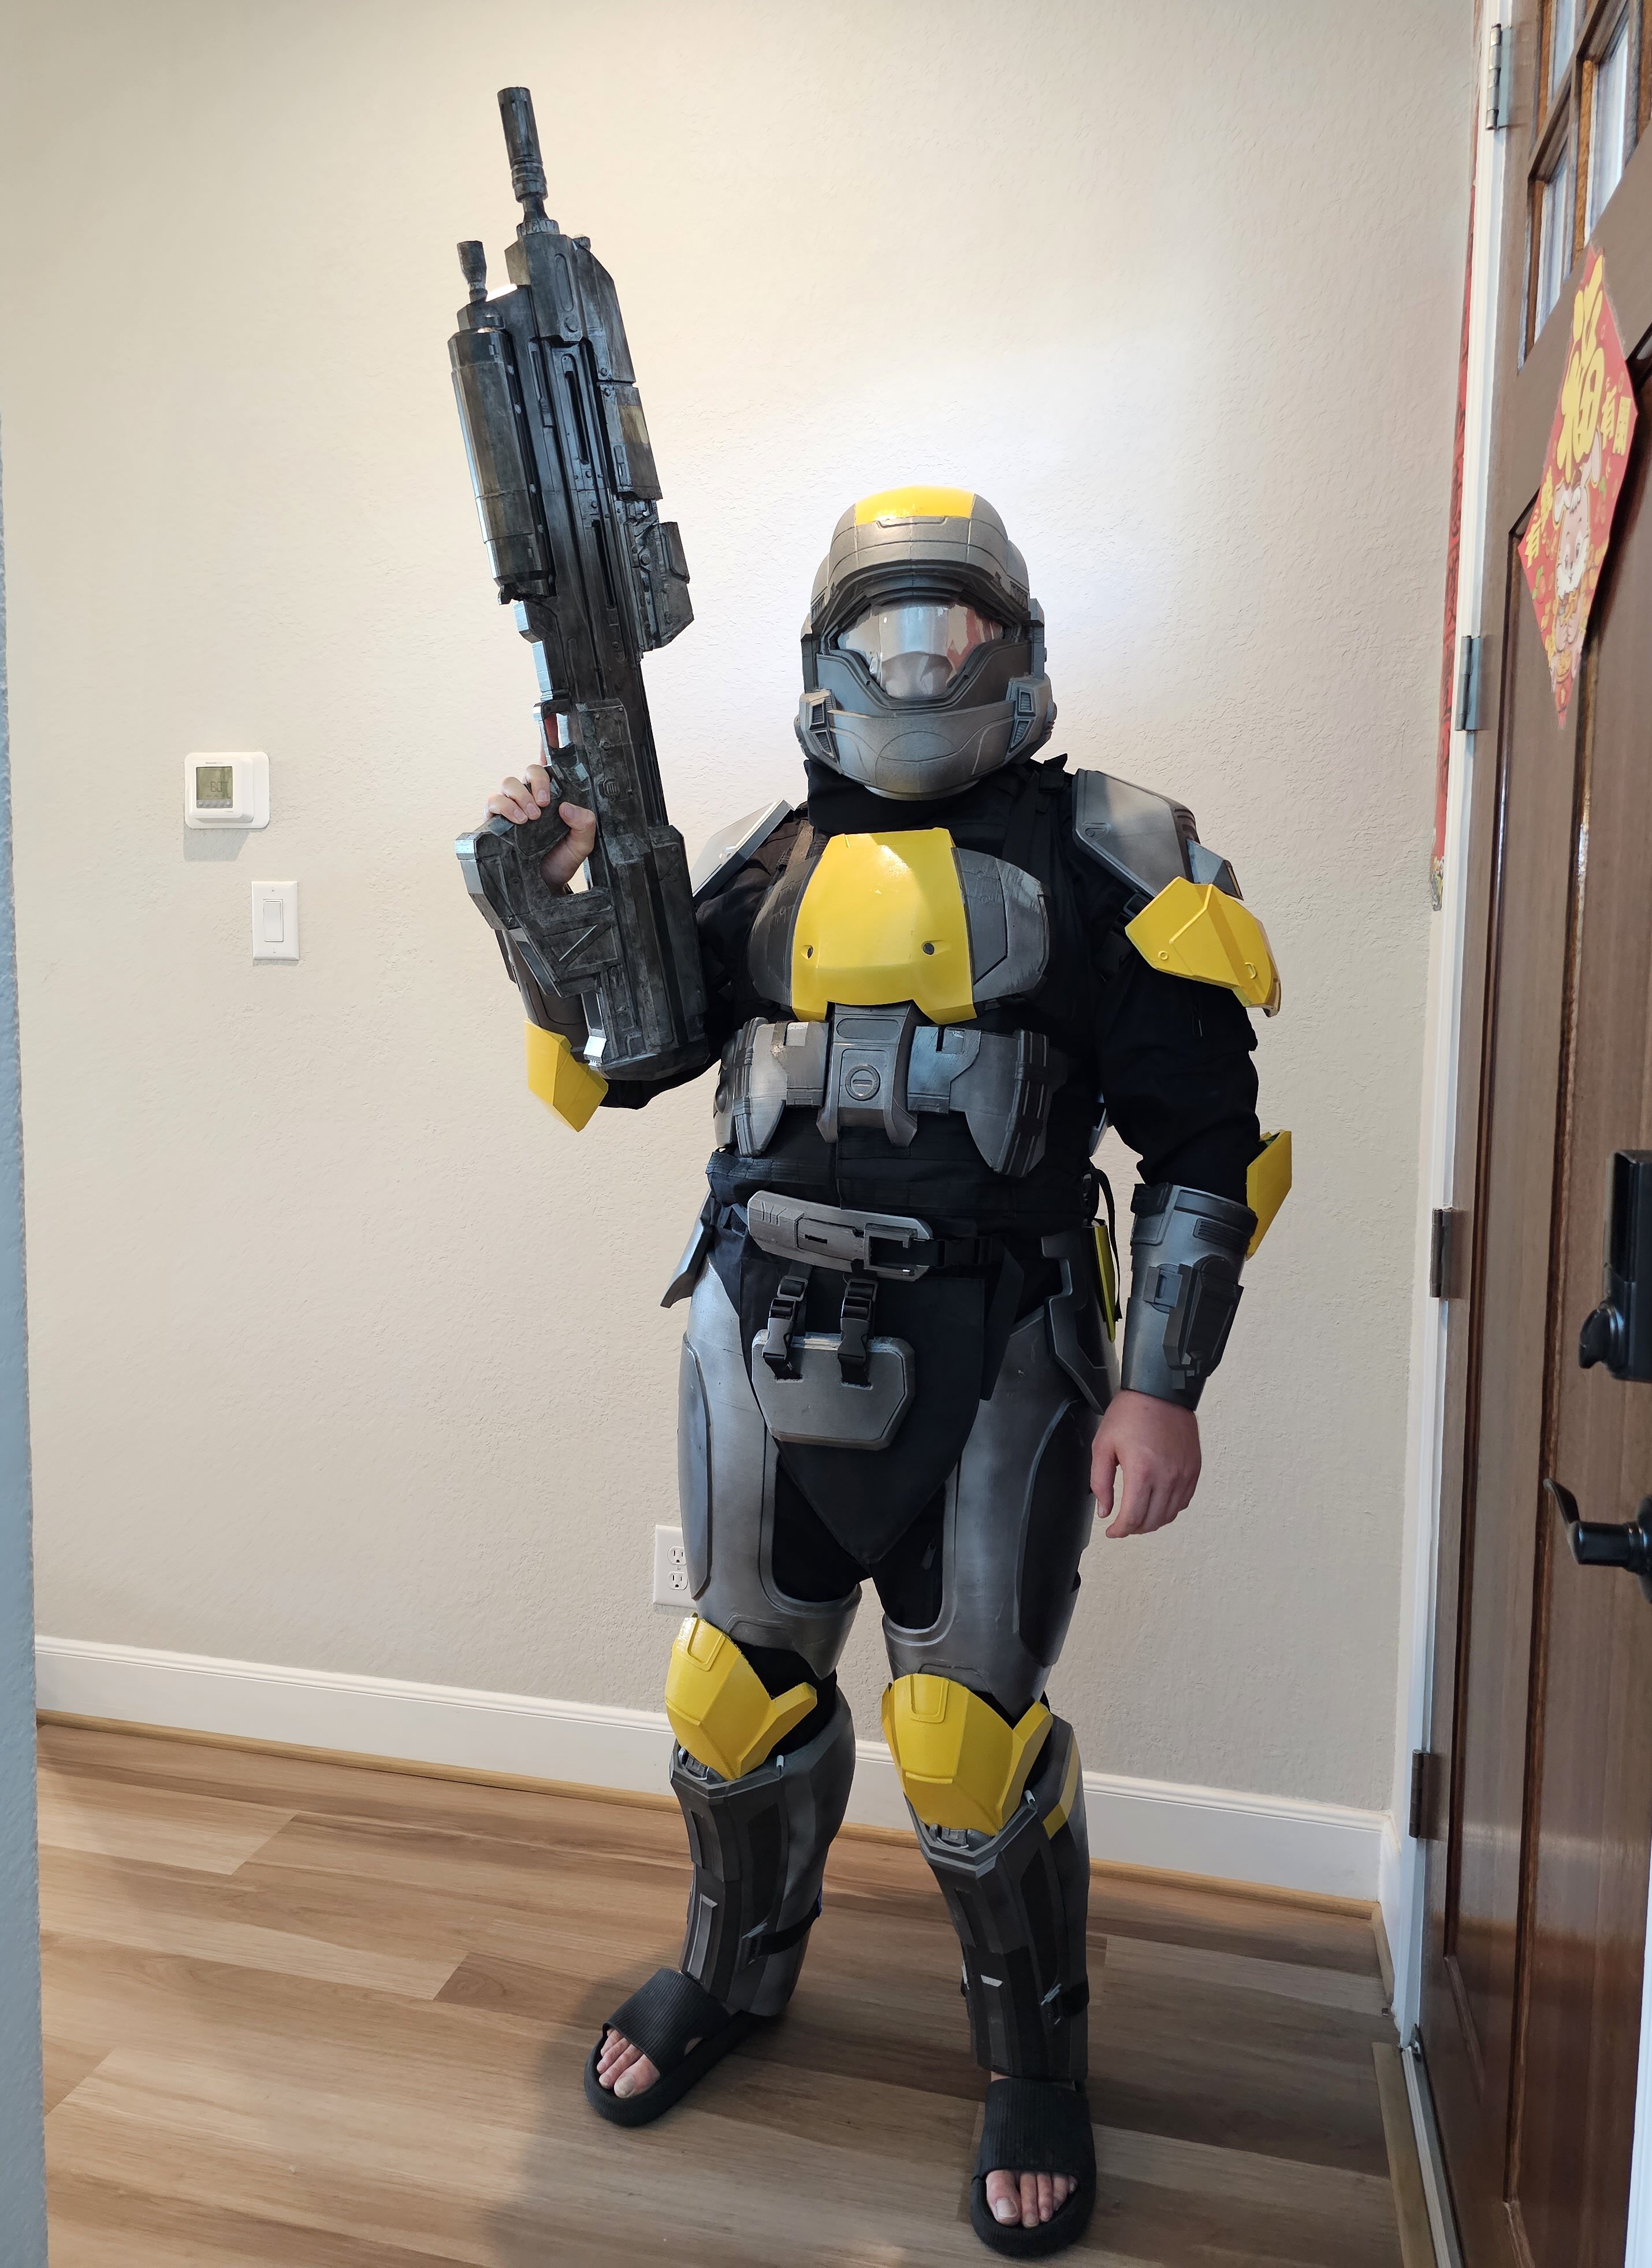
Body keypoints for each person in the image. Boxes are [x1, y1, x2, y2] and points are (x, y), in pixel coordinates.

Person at [485, 488, 1286, 2256]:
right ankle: (732, 1970)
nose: (922, 665)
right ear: (827, 657)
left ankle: (1034, 2067)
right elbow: (625, 1058)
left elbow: (1207, 1147)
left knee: (965, 1744)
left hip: (996, 1358)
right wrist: (553, 916)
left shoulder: (1111, 851)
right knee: (729, 1699)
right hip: (756, 1334)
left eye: (956, 629)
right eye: (889, 631)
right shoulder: (764, 859)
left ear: (1018, 644)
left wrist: (1163, 1385)